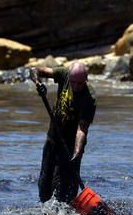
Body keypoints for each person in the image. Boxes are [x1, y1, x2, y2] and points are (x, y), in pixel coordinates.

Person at [30, 62, 96, 203]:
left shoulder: (89, 99)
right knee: (44, 184)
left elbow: (82, 129)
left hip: (71, 146)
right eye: (73, 83)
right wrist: (38, 83)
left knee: (64, 191)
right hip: (53, 139)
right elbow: (34, 70)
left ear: (86, 79)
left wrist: (77, 152)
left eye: (80, 83)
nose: (76, 86)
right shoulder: (64, 74)